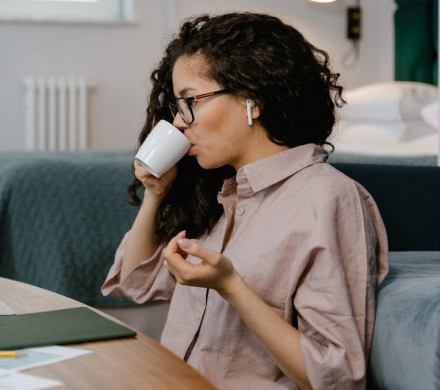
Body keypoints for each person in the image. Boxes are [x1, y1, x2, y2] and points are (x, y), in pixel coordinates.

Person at [101, 12, 389, 390]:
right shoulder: (225, 195)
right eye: (177, 106)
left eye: (191, 101)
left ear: (253, 98)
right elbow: (136, 283)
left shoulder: (326, 197)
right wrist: (156, 194)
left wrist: (231, 287)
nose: (180, 124)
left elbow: (334, 377)